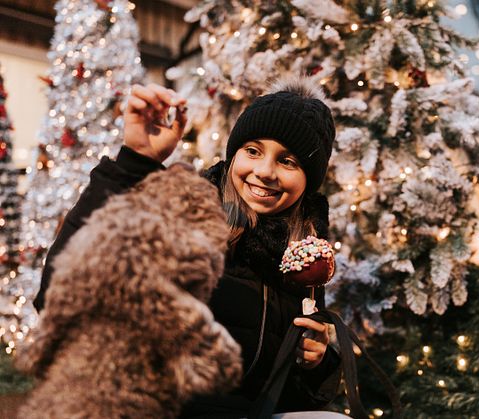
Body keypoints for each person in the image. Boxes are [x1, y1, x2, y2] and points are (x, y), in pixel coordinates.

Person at [33, 78, 343, 417]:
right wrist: (133, 163)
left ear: (308, 179)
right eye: (253, 151)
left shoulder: (302, 255)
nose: (264, 172)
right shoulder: (181, 215)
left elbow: (290, 395)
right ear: (235, 152)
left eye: (288, 161)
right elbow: (61, 295)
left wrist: (315, 362)